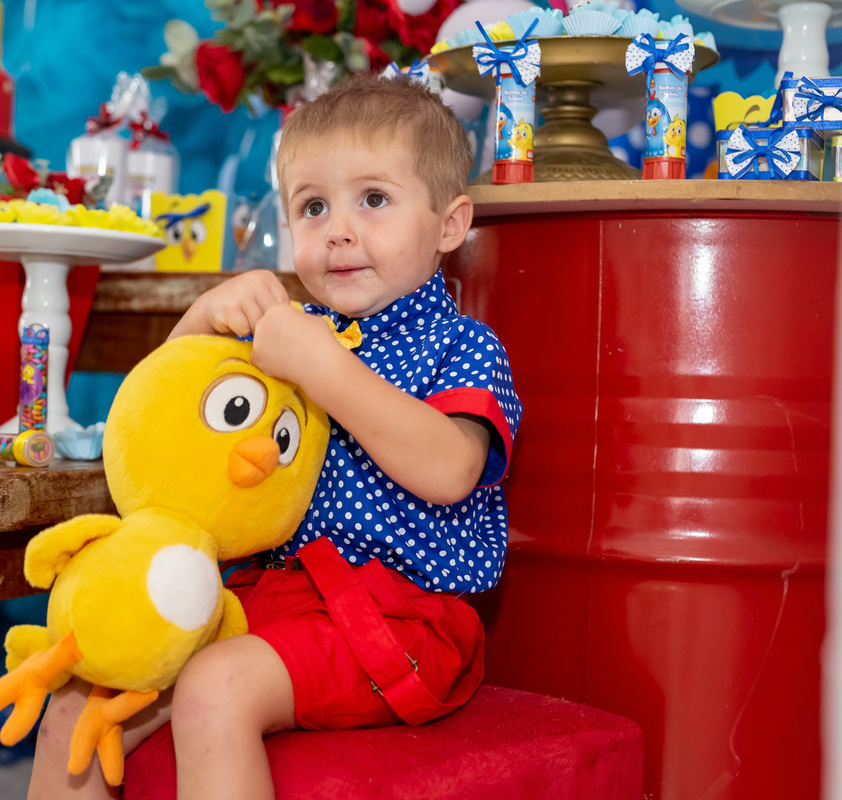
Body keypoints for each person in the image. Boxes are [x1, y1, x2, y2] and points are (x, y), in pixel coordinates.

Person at [26, 73, 522, 800]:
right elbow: (168, 421)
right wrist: (202, 318)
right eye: (313, 207)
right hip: (267, 595)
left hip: (401, 620)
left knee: (215, 687)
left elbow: (450, 471)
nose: (339, 229)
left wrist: (325, 369)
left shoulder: (463, 346)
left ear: (450, 225)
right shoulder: (294, 330)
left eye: (373, 199)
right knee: (77, 698)